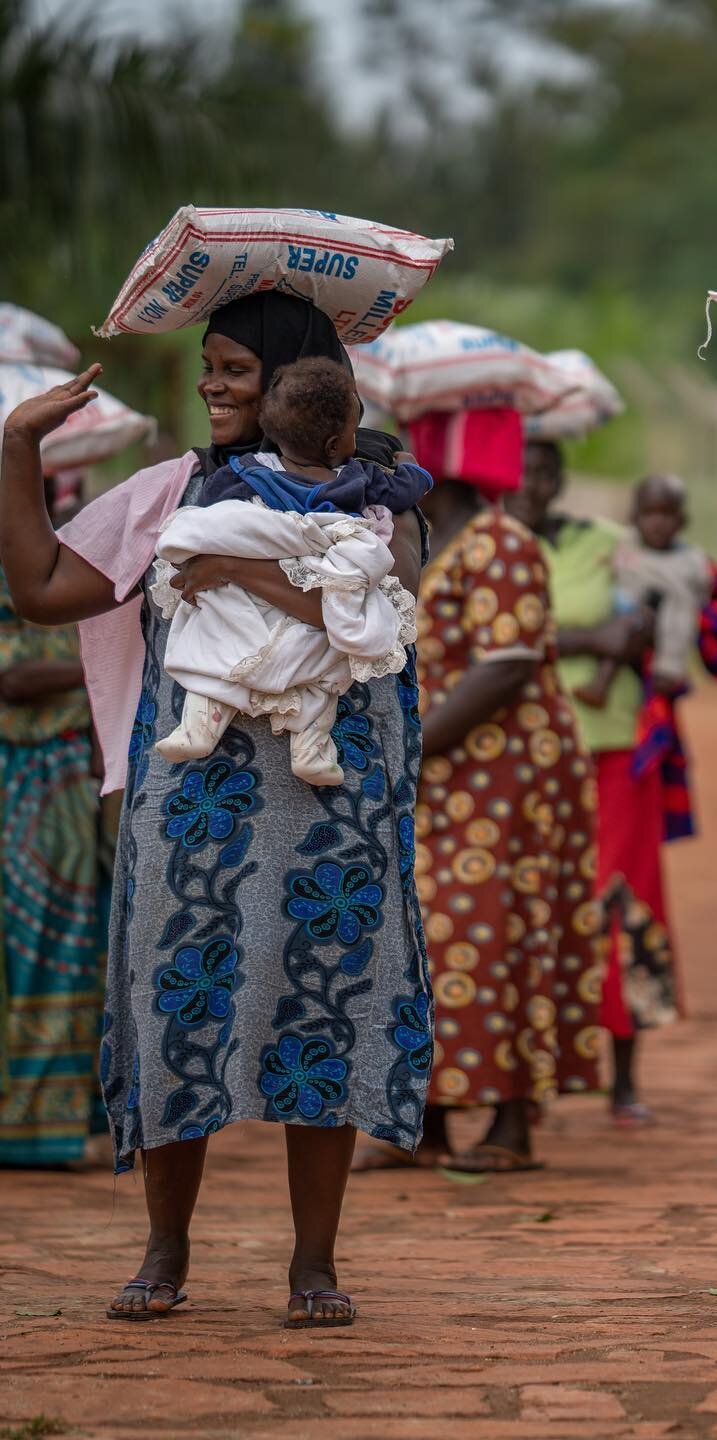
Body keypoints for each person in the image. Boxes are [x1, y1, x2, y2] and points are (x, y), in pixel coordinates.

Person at [0, 291, 431, 1328]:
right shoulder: (172, 490)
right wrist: (16, 445)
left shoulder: (379, 495)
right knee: (175, 1006)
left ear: (294, 379)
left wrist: (238, 566)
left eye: (236, 367)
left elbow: (381, 613)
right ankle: (165, 1249)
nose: (213, 385)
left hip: (337, 805)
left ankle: (314, 1265)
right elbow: (46, 588)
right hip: (197, 803)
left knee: (326, 1012)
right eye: (211, 367)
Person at [353, 406, 606, 1173]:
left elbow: (507, 665)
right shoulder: (426, 541)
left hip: (505, 775)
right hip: (443, 769)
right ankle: (427, 1121)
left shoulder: (501, 542)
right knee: (427, 934)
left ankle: (510, 1121)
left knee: (496, 931)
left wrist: (416, 743)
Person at [153, 357, 430, 782]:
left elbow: (214, 510)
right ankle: (311, 748)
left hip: (252, 586)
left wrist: (234, 543)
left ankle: (198, 723)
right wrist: (410, 465)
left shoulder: (242, 473)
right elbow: (409, 485)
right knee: (324, 665)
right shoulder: (356, 477)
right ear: (337, 443)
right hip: (317, 578)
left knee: (221, 638)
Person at [506, 443, 671, 1125]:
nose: (533, 484)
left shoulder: (607, 543)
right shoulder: (485, 547)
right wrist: (585, 640)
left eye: (545, 471)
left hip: (612, 752)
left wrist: (619, 635)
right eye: (520, 471)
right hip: (520, 754)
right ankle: (531, 1074)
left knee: (624, 902)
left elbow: (647, 613)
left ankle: (625, 1076)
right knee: (532, 907)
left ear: (561, 479)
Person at [0, 478, 105, 1167]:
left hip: (65, 776)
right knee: (33, 946)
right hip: (22, 771)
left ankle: (51, 1124)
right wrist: (94, 667)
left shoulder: (71, 556)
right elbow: (10, 679)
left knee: (65, 944)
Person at [574, 473, 712, 708]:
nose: (657, 523)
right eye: (649, 514)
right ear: (635, 517)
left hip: (662, 629)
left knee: (678, 611)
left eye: (666, 514)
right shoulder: (625, 545)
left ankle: (668, 671)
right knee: (624, 627)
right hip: (621, 615)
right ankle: (600, 685)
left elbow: (701, 592)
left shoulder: (689, 560)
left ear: (681, 520)